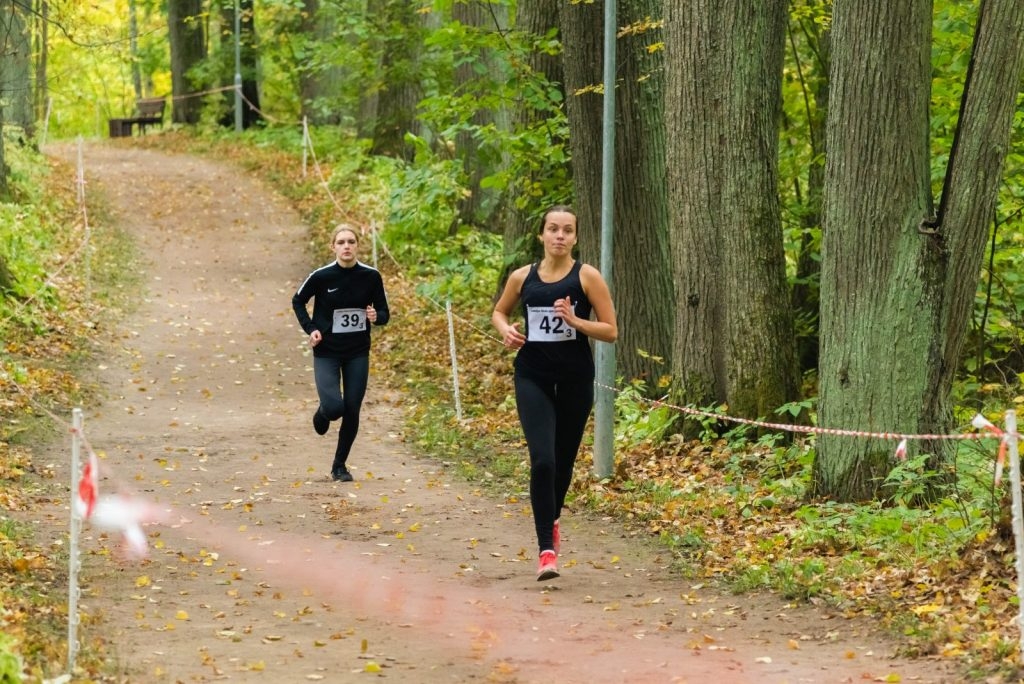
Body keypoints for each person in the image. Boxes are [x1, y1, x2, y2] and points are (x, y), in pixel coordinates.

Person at [491, 205, 618, 581]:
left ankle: (553, 519)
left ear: (576, 237)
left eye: (567, 230)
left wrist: (576, 321)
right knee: (542, 461)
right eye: (552, 229)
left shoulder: (587, 277)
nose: (559, 236)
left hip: (576, 379)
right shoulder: (522, 277)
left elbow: (611, 330)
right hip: (533, 376)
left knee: (562, 464)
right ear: (542, 235)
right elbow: (499, 312)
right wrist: (506, 330)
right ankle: (546, 549)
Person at [292, 224, 390, 482]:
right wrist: (310, 329)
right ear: (333, 247)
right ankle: (323, 412)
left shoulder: (371, 276)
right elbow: (297, 300)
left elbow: (384, 313)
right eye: (341, 242)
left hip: (358, 352)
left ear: (358, 246)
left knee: (353, 409)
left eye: (351, 242)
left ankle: (339, 465)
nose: (346, 246)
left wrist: (375, 316)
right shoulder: (322, 276)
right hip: (327, 351)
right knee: (335, 407)